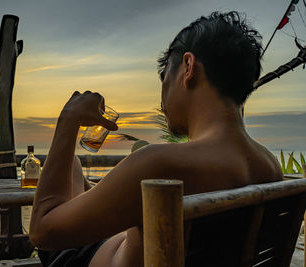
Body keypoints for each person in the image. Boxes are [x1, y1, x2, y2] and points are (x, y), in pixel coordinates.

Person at [29, 11, 283, 267]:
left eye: (164, 80)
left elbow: (42, 231)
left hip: (83, 258)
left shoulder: (160, 165)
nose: (162, 101)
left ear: (188, 67)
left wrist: (68, 119)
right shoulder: (269, 167)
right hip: (130, 242)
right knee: (72, 168)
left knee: (69, 165)